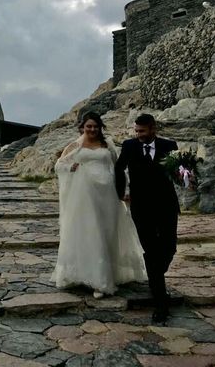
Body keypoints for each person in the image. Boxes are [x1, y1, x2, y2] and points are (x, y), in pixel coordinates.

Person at [52, 112, 146, 298]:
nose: (92, 129)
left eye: (95, 126)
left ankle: (108, 273)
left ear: (100, 127)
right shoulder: (76, 145)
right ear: (82, 127)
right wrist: (71, 168)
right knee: (92, 234)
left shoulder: (107, 145)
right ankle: (99, 281)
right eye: (89, 126)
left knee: (107, 232)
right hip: (86, 197)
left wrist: (124, 191)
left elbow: (118, 169)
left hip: (108, 196)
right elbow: (59, 165)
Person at [115, 113, 179, 323]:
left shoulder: (170, 146)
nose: (138, 134)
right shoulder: (129, 146)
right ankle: (161, 302)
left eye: (142, 131)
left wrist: (187, 175)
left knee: (169, 247)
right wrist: (121, 192)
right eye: (136, 131)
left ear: (153, 129)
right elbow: (118, 168)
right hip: (141, 208)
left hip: (167, 206)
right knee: (151, 250)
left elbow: (178, 173)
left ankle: (154, 276)